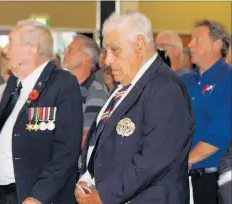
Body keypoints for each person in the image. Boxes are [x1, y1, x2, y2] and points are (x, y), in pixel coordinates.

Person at [0, 19, 83, 204]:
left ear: (31, 50)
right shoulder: (14, 82)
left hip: (27, 195)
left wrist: (38, 196)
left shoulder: (62, 83)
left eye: (11, 43)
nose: (5, 50)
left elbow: (66, 152)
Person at [75, 11, 195, 204]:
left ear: (140, 45)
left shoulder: (165, 88)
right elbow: (99, 142)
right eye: (106, 51)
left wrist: (104, 196)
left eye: (115, 50)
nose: (107, 60)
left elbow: (153, 160)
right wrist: (86, 180)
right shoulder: (125, 87)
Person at [182, 19, 231, 204]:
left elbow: (219, 134)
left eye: (197, 39)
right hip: (185, 176)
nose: (190, 44)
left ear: (217, 44)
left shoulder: (227, 80)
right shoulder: (186, 81)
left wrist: (184, 161)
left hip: (214, 180)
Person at [63, 34, 108, 147]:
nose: (64, 53)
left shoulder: (96, 91)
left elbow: (87, 139)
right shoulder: (62, 87)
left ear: (86, 57)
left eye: (70, 49)